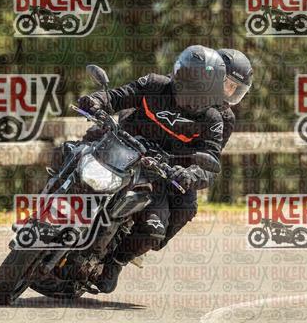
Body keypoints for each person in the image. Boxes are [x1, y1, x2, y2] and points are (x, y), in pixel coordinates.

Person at [77, 45, 226, 293]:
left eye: (203, 93)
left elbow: (211, 161)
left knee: (153, 230)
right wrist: (96, 100)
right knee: (71, 151)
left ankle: (115, 262)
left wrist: (190, 174)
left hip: (158, 176)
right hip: (120, 149)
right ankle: (48, 203)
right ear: (177, 77)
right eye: (189, 87)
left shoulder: (213, 120)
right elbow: (118, 96)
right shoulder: (155, 84)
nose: (194, 98)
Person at [156, 48, 253, 250]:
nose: (228, 92)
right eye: (226, 83)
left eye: (234, 88)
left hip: (178, 166)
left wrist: (191, 173)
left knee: (186, 207)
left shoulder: (225, 118)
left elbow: (211, 157)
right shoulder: (177, 85)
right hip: (145, 146)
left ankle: (146, 245)